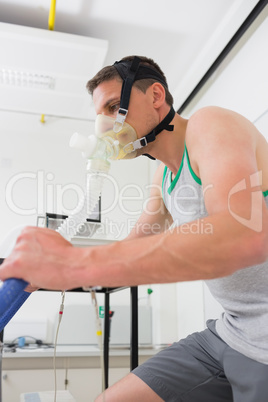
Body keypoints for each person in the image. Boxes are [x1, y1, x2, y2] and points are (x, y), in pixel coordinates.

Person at [0, 55, 268, 401]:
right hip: (229, 332)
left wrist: (72, 265)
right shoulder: (164, 177)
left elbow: (246, 235)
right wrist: (49, 271)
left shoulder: (210, 124)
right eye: (100, 114)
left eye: (113, 106)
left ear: (156, 96)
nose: (104, 125)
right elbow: (131, 249)